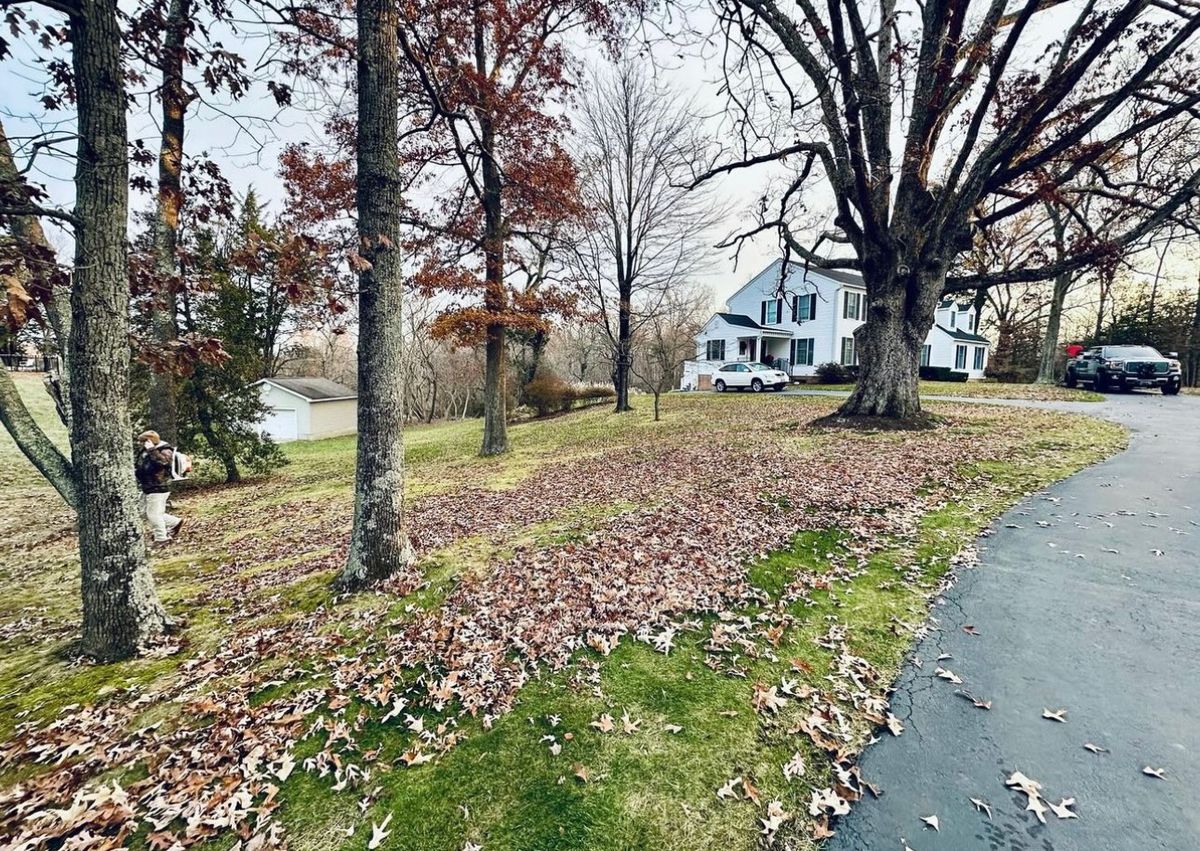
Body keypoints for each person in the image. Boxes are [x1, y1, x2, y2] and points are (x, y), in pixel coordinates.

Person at [135, 430, 183, 543]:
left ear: (149, 441)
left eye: (143, 441)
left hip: (158, 486)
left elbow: (164, 463)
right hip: (148, 486)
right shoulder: (146, 451)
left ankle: (161, 538)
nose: (141, 444)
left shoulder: (165, 450)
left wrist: (152, 450)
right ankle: (175, 522)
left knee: (153, 515)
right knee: (144, 512)